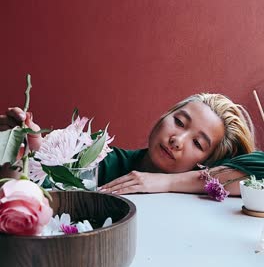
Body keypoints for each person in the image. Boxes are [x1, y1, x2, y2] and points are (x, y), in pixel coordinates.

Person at [1, 93, 263, 196]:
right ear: (164, 117)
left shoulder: (206, 187)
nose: (177, 139)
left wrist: (166, 182)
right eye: (179, 122)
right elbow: (25, 196)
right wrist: (22, 148)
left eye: (197, 142)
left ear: (208, 160)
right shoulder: (103, 159)